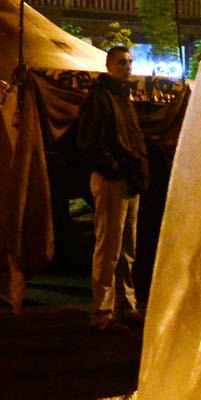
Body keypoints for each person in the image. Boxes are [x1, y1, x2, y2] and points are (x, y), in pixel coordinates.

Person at [77, 45, 151, 330]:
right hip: (114, 180)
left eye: (130, 62)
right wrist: (116, 170)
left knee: (124, 249)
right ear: (109, 65)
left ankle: (124, 306)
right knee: (109, 248)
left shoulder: (121, 97)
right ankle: (102, 312)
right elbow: (91, 142)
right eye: (122, 62)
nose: (128, 67)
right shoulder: (102, 97)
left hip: (125, 179)